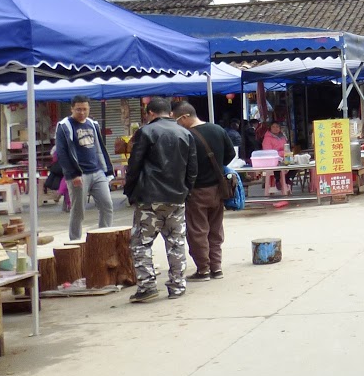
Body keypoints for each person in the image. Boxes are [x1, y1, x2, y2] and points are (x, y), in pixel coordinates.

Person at [124, 97, 198, 303]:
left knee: (141, 243)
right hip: (177, 197)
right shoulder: (185, 133)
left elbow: (134, 166)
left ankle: (147, 286)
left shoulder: (146, 132)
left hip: (150, 197)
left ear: (150, 113)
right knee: (176, 243)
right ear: (170, 113)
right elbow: (192, 169)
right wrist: (186, 191)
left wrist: (130, 192)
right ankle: (178, 285)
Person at [175, 103, 233, 281]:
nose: (177, 124)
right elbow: (230, 154)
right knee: (216, 230)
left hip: (197, 190)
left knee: (198, 231)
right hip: (219, 189)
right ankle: (217, 268)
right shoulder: (218, 129)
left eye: (177, 120)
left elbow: (181, 164)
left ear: (185, 117)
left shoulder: (187, 135)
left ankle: (203, 270)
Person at [54, 95, 117, 242]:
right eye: (78, 109)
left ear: (89, 109)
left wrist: (106, 170)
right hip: (79, 174)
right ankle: (75, 241)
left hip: (97, 171)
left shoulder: (92, 124)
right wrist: (73, 174)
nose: (82, 112)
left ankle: (104, 238)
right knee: (78, 211)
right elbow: (62, 153)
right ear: (72, 109)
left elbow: (99, 148)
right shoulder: (64, 126)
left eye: (85, 109)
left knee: (107, 205)